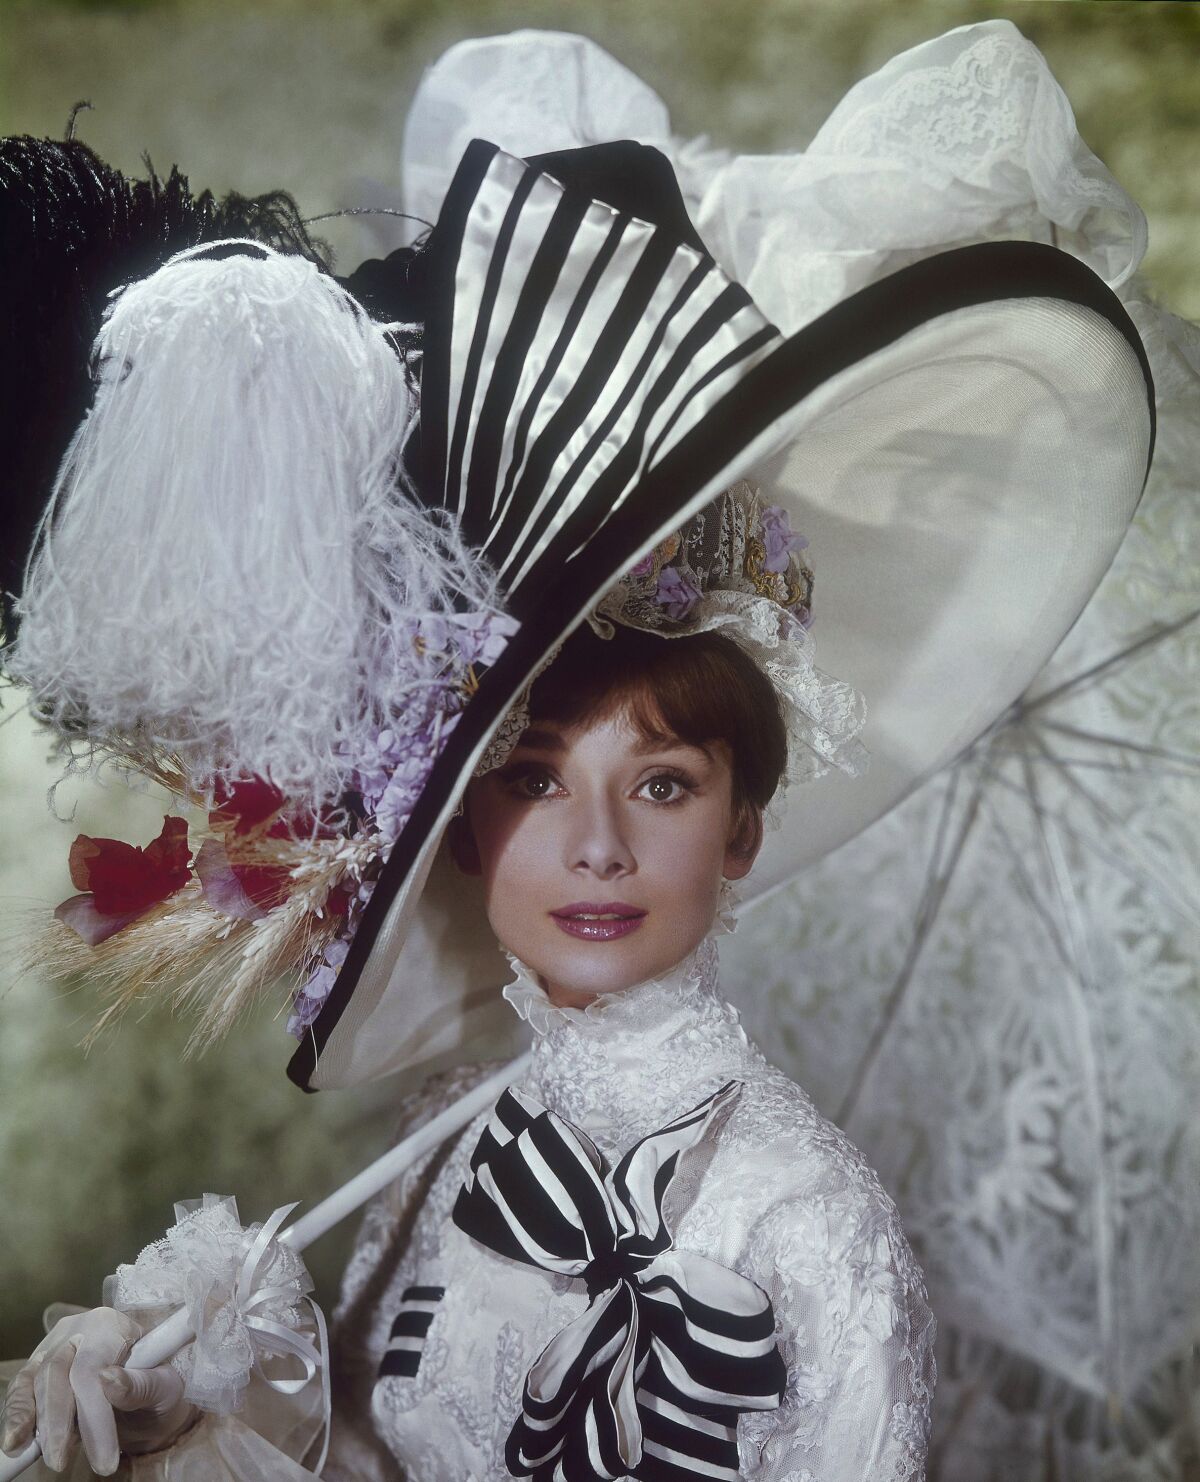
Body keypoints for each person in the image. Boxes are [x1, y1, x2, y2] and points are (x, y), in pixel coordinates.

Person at [0, 19, 1159, 1482]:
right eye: (536, 779)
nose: (597, 844)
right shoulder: (438, 1151)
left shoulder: (811, 1227)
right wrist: (211, 1412)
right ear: (466, 827)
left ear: (742, 830)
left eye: (663, 783)